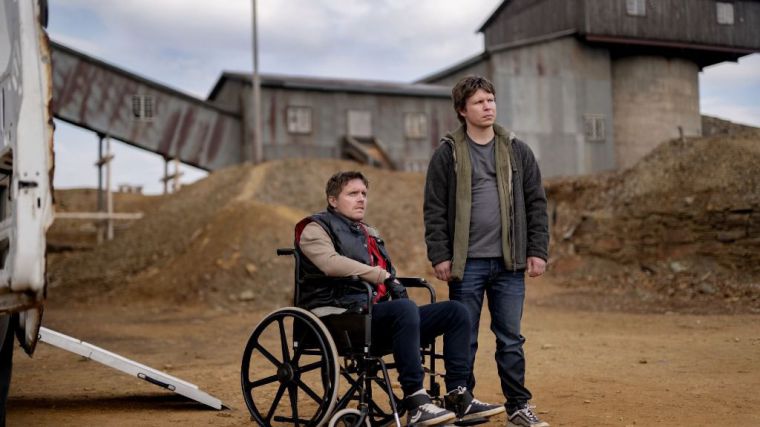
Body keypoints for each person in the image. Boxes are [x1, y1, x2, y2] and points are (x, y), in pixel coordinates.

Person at [296, 171, 505, 426]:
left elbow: (386, 275)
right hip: (337, 316)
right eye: (352, 194)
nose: (361, 199)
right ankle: (416, 401)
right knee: (404, 309)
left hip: (371, 313)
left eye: (364, 194)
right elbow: (330, 264)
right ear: (332, 200)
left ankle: (458, 395)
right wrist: (381, 275)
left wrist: (388, 280)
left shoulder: (367, 233)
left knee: (455, 311)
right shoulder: (314, 228)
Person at [423, 76, 550, 427]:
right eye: (479, 102)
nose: (488, 106)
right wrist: (440, 254)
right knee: (463, 337)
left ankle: (518, 406)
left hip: (509, 263)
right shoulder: (447, 153)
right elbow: (434, 208)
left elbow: (536, 203)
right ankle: (461, 402)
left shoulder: (517, 150)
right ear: (462, 110)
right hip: (466, 264)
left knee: (510, 338)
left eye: (491, 100)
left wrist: (537, 250)